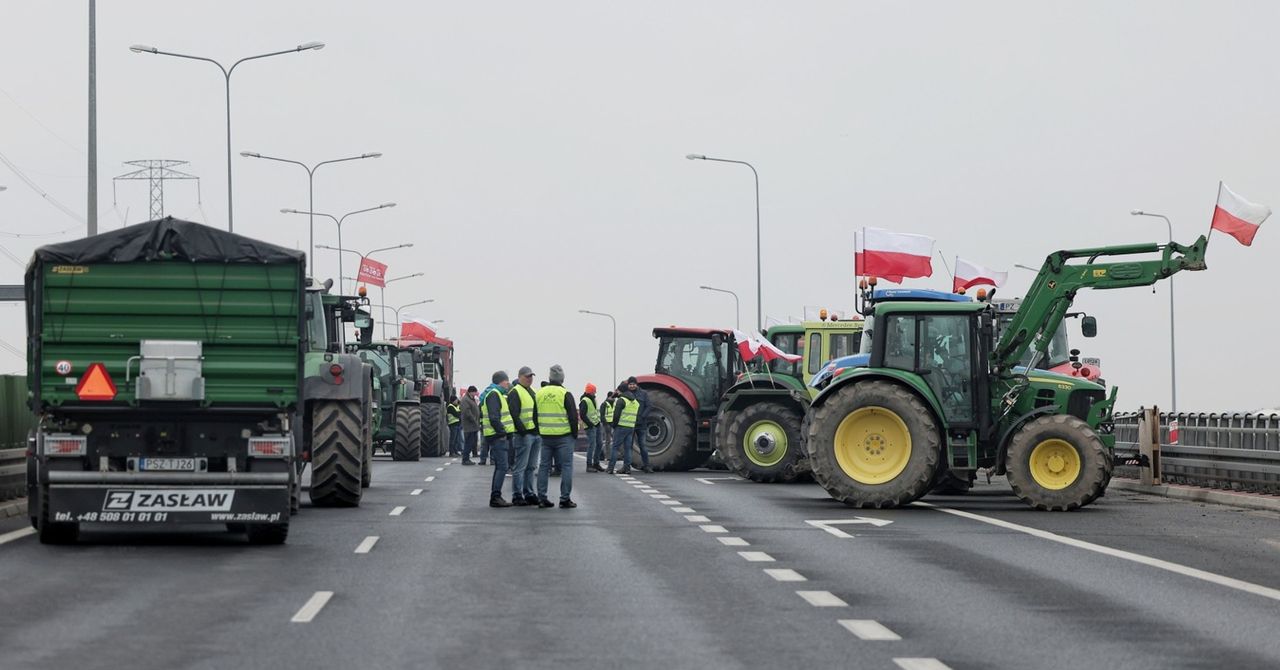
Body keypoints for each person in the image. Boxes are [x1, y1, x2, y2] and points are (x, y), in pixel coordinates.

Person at [536, 364, 579, 508]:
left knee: (543, 466)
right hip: (564, 437)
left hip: (545, 436)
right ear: (562, 379)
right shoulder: (565, 393)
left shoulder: (540, 393)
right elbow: (573, 416)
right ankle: (564, 498)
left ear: (549, 377)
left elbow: (535, 415)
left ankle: (542, 498)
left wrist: (540, 430)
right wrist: (574, 434)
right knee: (566, 467)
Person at [507, 366, 541, 506]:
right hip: (524, 435)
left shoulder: (532, 391)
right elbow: (514, 414)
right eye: (527, 376)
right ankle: (517, 495)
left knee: (531, 466)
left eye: (531, 376)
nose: (530, 379)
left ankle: (529, 493)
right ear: (520, 376)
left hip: (534, 434)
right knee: (521, 466)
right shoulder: (515, 392)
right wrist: (523, 432)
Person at [481, 371, 515, 506]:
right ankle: (496, 497)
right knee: (502, 466)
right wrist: (503, 433)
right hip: (497, 436)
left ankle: (496, 496)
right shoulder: (494, 394)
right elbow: (494, 417)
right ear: (500, 382)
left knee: (500, 466)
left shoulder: (496, 394)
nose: (508, 384)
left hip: (496, 435)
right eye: (506, 382)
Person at [608, 382, 639, 474]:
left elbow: (616, 415)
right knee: (628, 448)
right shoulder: (635, 402)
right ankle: (627, 468)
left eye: (617, 390)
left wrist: (613, 425)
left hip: (621, 427)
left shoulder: (621, 400)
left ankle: (610, 468)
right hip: (631, 427)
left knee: (615, 447)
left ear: (620, 390)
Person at [627, 377, 654, 473]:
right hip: (629, 424)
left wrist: (643, 416)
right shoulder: (626, 395)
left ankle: (646, 466)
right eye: (630, 384)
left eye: (633, 384)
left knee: (643, 446)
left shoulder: (643, 394)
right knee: (628, 446)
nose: (632, 386)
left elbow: (649, 406)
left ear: (636, 384)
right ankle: (627, 467)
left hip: (641, 424)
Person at [580, 382, 603, 471]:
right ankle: (589, 465)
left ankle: (596, 463)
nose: (595, 393)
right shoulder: (585, 401)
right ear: (590, 391)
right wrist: (590, 424)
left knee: (599, 444)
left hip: (597, 425)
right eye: (594, 391)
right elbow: (582, 415)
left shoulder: (594, 399)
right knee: (592, 445)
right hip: (590, 427)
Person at [460, 385, 480, 465]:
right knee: (468, 443)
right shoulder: (466, 400)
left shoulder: (471, 399)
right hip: (469, 426)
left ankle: (467, 459)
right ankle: (465, 459)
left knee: (470, 443)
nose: (475, 394)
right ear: (470, 392)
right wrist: (474, 421)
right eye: (474, 392)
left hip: (473, 426)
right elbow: (467, 412)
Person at [600, 391, 615, 467]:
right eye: (612, 397)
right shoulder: (604, 404)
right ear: (608, 397)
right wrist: (606, 424)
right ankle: (607, 457)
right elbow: (602, 415)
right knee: (607, 441)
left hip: (613, 424)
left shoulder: (614, 404)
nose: (613, 398)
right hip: (607, 425)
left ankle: (613, 456)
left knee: (615, 441)